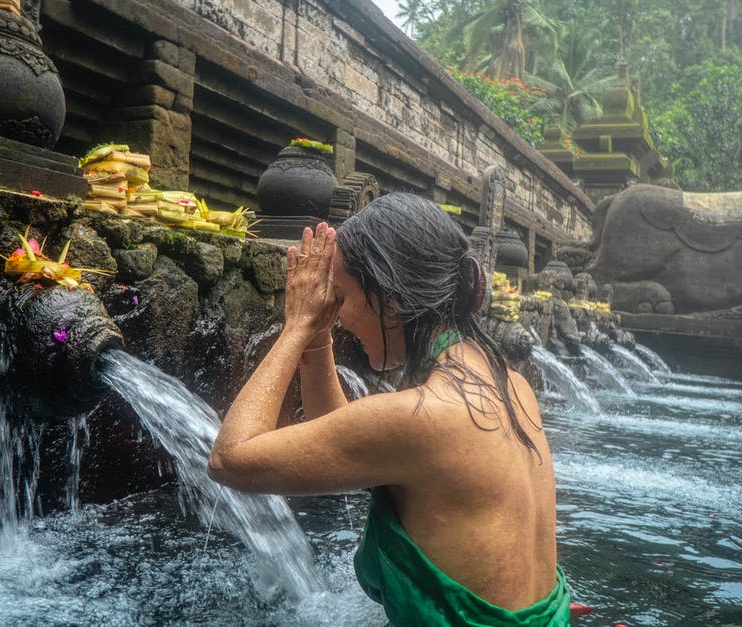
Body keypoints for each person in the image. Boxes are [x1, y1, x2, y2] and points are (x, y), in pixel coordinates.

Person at [207, 193, 570, 625]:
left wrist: (296, 325)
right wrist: (318, 339)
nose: (337, 317)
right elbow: (342, 441)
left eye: (341, 298)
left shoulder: (424, 416)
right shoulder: (513, 384)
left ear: (389, 300)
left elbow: (230, 458)